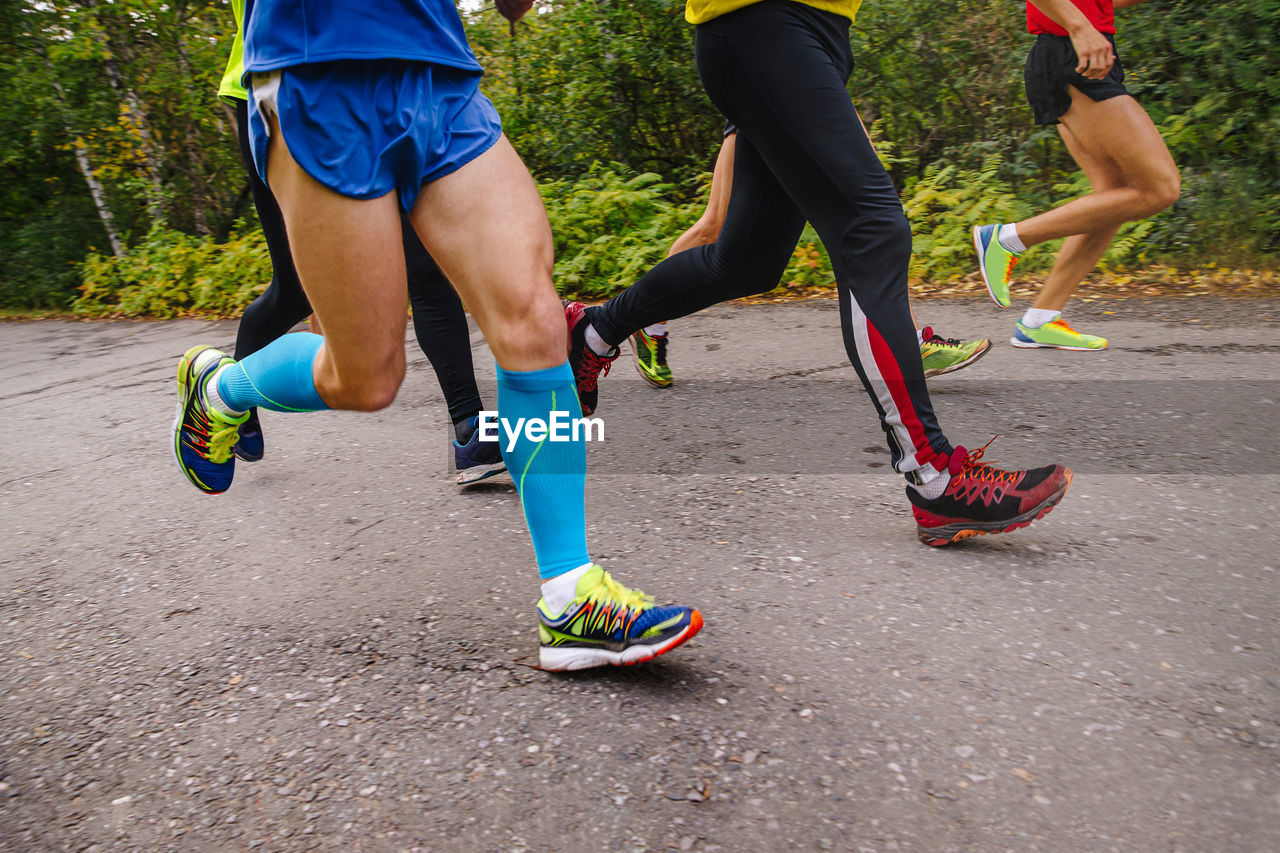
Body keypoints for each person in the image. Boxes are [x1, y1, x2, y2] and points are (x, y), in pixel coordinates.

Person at [173, 0, 702, 670]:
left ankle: (570, 597)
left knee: (535, 317)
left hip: (439, 71)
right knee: (366, 378)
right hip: (318, 65)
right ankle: (220, 387)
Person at [565, 0, 1073, 546]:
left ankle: (593, 330)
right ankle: (935, 478)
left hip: (807, 35)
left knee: (746, 262)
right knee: (872, 230)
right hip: (762, 24)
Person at [215, 5, 504, 485]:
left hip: (399, 73)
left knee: (427, 270)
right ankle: (229, 397)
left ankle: (469, 428)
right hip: (286, 88)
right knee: (296, 289)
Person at [629, 124, 991, 388]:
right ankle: (648, 324)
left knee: (866, 213)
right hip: (762, 95)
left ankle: (910, 344)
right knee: (715, 225)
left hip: (802, 97)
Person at [972, 0, 1179, 351]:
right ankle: (1007, 239)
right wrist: (1081, 27)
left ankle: (1040, 320)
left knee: (1114, 197)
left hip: (1076, 50)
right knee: (1159, 189)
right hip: (1073, 49)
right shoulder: (1076, 33)